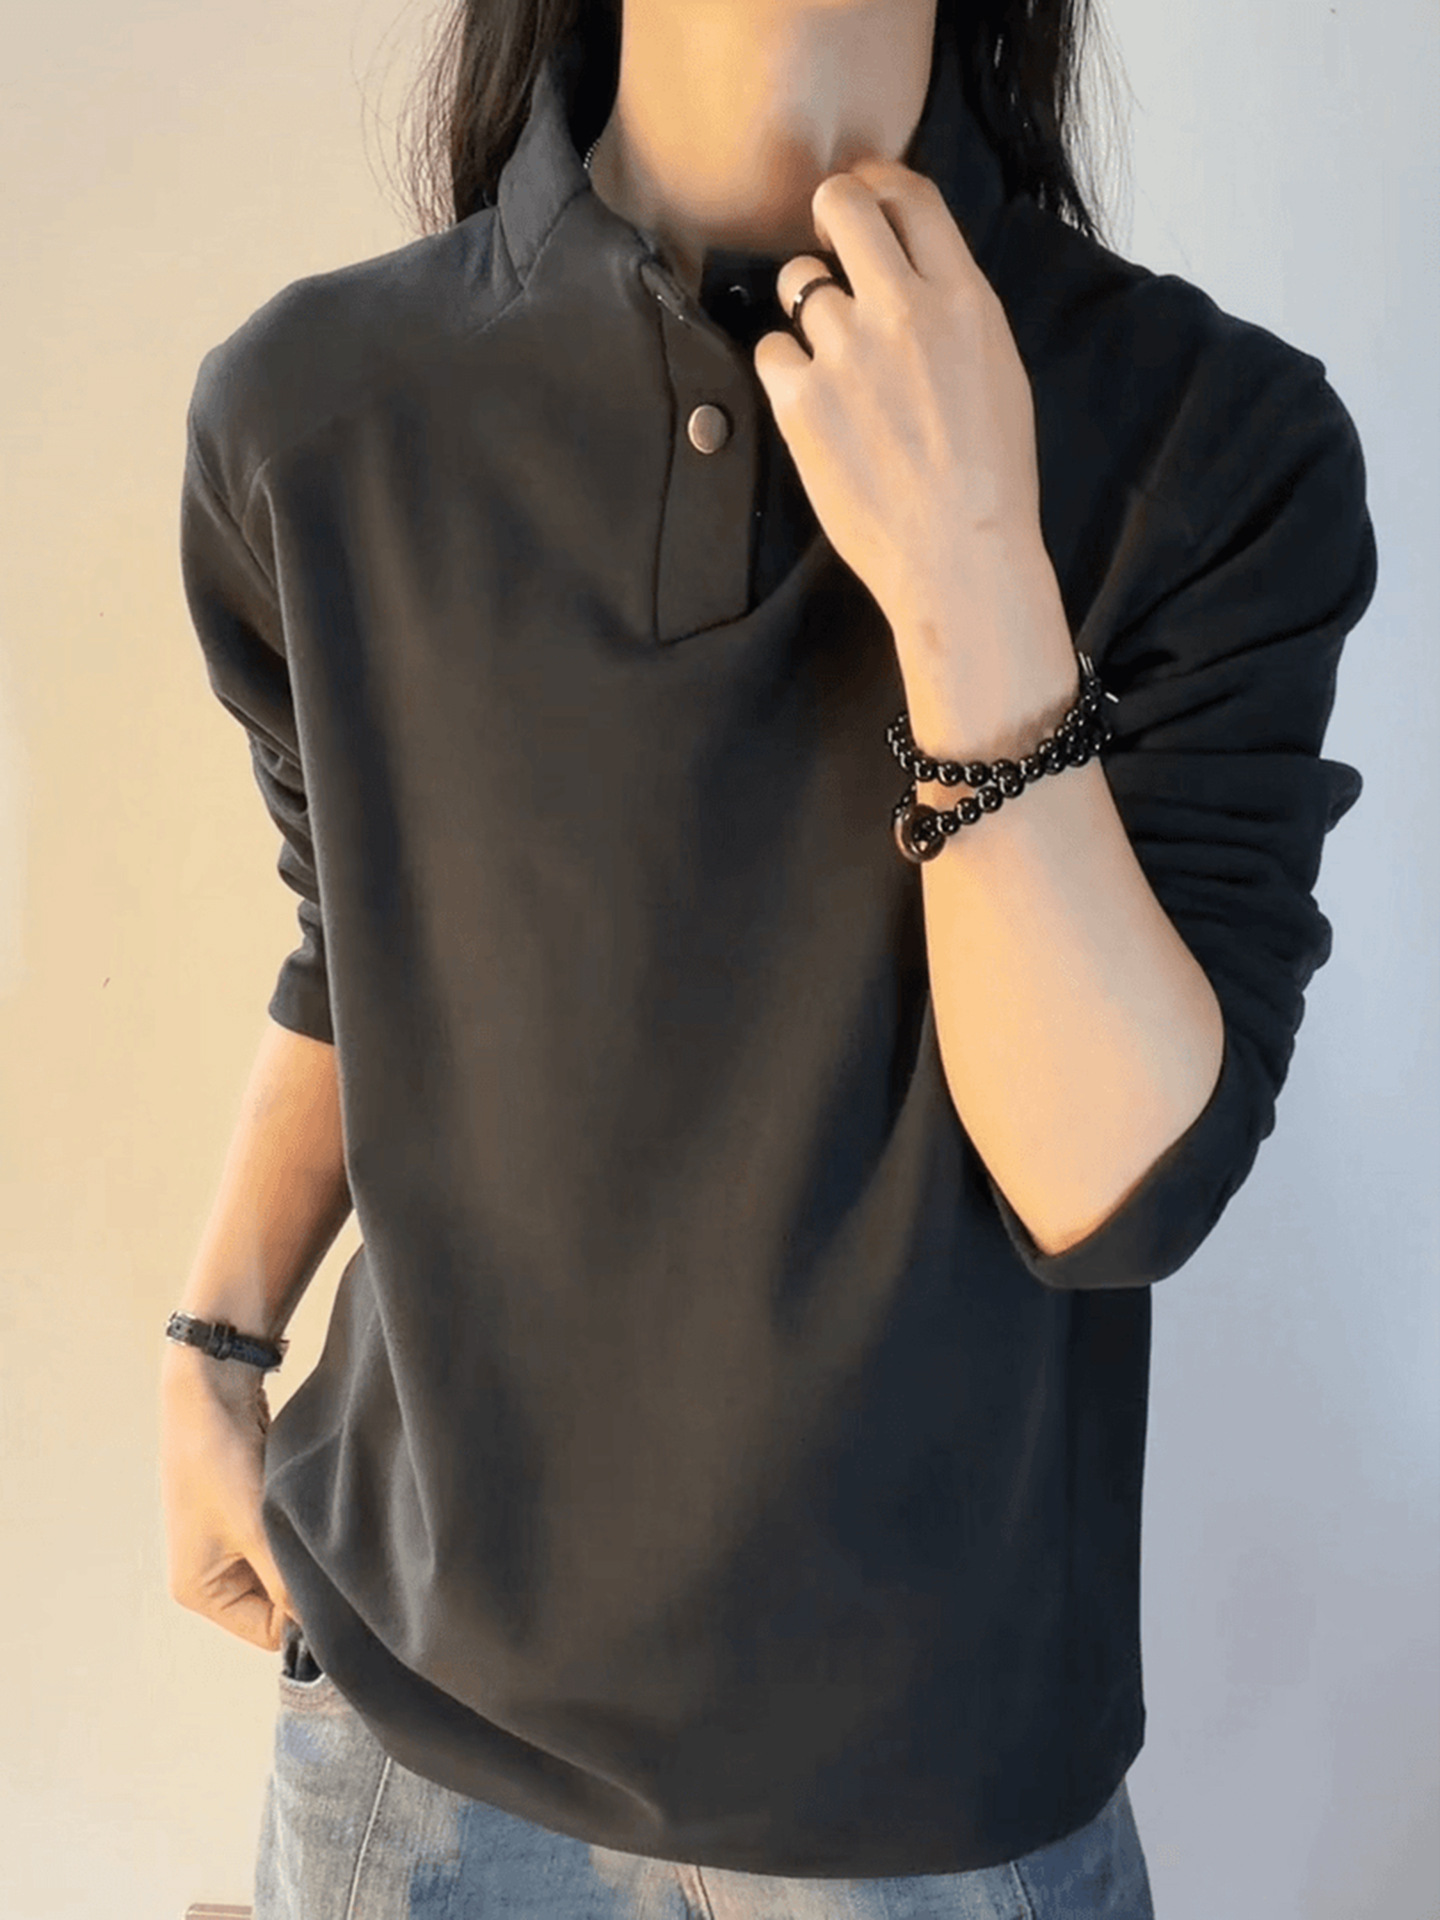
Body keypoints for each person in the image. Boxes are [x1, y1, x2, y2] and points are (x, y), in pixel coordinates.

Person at [158, 0, 1378, 1913]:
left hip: (937, 1806)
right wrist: (216, 1337)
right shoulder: (313, 408)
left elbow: (1117, 1187)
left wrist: (975, 574)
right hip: (405, 1755)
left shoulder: (1213, 441)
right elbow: (363, 923)